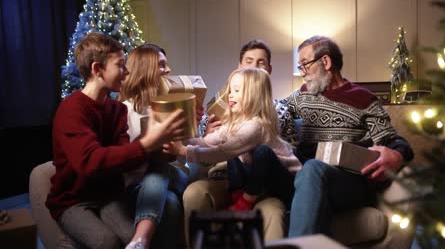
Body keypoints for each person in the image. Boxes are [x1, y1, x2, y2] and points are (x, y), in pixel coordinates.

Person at [45, 33, 187, 249]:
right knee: (107, 242)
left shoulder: (116, 109)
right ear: (97, 69)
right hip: (73, 201)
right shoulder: (71, 110)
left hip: (108, 195)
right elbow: (90, 163)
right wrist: (147, 143)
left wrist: (161, 141)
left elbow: (123, 156)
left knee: (132, 237)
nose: (127, 72)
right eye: (120, 65)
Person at [280, 35, 414, 237]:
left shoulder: (363, 99)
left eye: (305, 64)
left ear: (325, 61)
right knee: (309, 171)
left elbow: (392, 140)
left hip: (348, 183)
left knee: (312, 168)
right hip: (307, 182)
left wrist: (399, 155)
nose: (303, 73)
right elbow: (273, 109)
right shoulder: (302, 95)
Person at [183, 39, 294, 243]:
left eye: (261, 63)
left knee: (270, 208)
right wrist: (187, 133)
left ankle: (247, 199)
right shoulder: (224, 110)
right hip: (229, 174)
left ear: (268, 69)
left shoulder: (272, 114)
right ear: (239, 65)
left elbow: (226, 149)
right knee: (195, 192)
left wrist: (187, 149)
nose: (254, 66)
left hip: (268, 180)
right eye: (249, 61)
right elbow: (207, 143)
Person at [165, 66, 301, 210]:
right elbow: (205, 142)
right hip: (261, 180)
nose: (230, 95)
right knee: (233, 149)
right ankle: (237, 193)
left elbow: (220, 152)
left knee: (258, 151)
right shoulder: (237, 125)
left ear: (254, 95)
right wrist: (182, 135)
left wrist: (183, 151)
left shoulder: (255, 127)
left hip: (287, 183)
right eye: (230, 90)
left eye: (236, 91)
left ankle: (247, 200)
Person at [119, 44, 190, 249]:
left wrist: (190, 132)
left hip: (175, 176)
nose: (168, 70)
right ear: (145, 69)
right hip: (138, 184)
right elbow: (123, 157)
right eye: (161, 65)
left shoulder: (170, 106)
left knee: (158, 167)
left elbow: (184, 157)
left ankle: (140, 239)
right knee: (170, 203)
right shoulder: (124, 110)